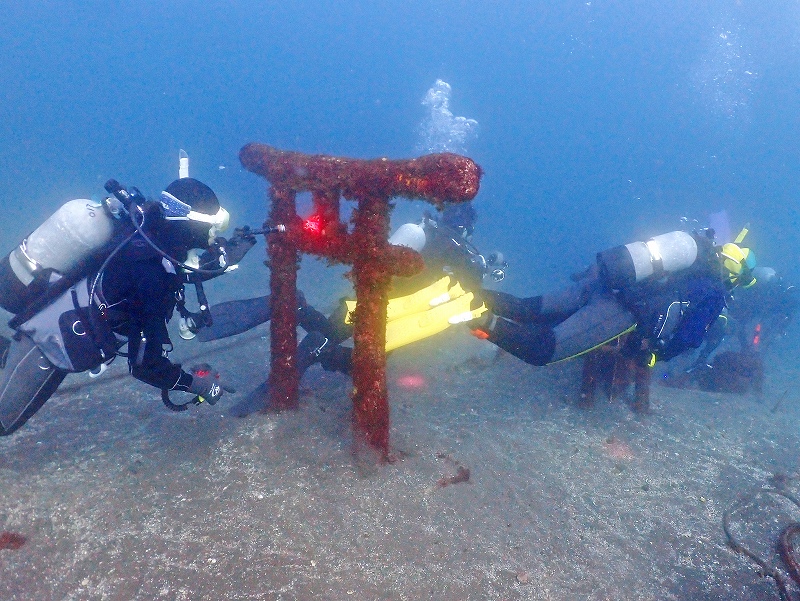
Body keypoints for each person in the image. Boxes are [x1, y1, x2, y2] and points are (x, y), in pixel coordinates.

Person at [0, 177, 253, 435]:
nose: (214, 234)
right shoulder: (152, 278)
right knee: (3, 422)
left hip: (66, 314)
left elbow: (178, 271)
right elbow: (146, 366)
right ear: (188, 225)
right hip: (49, 341)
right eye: (211, 226)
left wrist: (222, 260)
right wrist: (197, 386)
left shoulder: (149, 231)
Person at [203, 202, 506, 416]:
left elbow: (376, 261)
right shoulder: (461, 249)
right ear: (467, 227)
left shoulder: (423, 231)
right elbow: (472, 289)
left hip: (366, 302)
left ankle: (300, 310)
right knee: (361, 361)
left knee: (341, 340)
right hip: (387, 314)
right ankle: (278, 384)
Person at [468, 227, 756, 373]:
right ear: (736, 276)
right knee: (543, 350)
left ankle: (465, 292)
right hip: (621, 309)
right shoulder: (715, 291)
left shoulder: (694, 253)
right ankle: (475, 319)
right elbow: (690, 336)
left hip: (603, 282)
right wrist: (657, 355)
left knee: (525, 309)